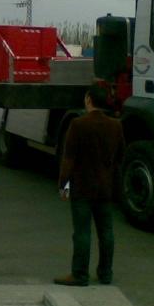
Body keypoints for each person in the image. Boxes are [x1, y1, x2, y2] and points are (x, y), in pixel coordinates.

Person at [54, 84, 125, 287]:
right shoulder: (116, 126)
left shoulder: (78, 124)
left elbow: (68, 159)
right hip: (105, 188)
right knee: (106, 232)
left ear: (88, 100)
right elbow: (120, 157)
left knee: (82, 232)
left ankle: (80, 274)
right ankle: (105, 273)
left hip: (82, 188)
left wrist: (63, 186)